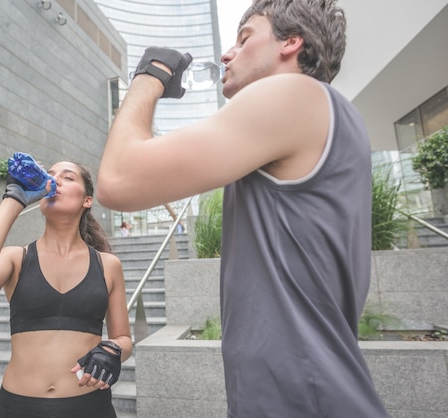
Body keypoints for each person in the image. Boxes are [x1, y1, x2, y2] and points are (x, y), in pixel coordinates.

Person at [96, 0, 389, 417]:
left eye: (245, 37)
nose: (226, 54)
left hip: (305, 399)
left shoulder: (294, 94)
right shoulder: (327, 115)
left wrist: (149, 76)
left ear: (291, 42)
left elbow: (117, 180)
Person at [0, 159, 132, 418]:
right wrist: (13, 200)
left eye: (68, 177)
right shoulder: (16, 259)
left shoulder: (108, 265)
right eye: (51, 175)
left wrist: (112, 350)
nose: (55, 180)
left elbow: (124, 338)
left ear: (87, 200)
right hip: (18, 408)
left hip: (91, 407)